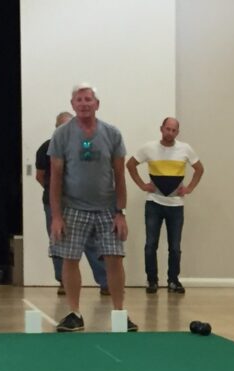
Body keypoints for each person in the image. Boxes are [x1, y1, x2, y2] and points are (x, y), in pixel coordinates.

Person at [49, 83, 136, 332]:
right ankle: (74, 313)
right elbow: (55, 176)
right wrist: (56, 216)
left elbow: (120, 174)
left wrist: (121, 212)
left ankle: (120, 313)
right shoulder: (62, 135)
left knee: (115, 258)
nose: (84, 103)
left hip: (107, 208)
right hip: (73, 207)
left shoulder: (112, 134)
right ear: (73, 105)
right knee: (70, 258)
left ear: (97, 104)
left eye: (89, 99)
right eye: (79, 100)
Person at [126, 117, 204, 294]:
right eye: (167, 129)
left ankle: (173, 280)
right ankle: (152, 281)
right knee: (150, 244)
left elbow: (200, 169)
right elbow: (130, 165)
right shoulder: (149, 148)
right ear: (161, 129)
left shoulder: (185, 149)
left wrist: (189, 188)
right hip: (154, 203)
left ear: (178, 132)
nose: (170, 133)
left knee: (175, 246)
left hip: (176, 205)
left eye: (174, 130)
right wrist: (142, 185)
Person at [35, 112, 109, 296]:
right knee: (58, 241)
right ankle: (63, 282)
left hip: (81, 202)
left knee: (91, 241)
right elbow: (40, 176)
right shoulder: (45, 148)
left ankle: (105, 281)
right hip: (54, 204)